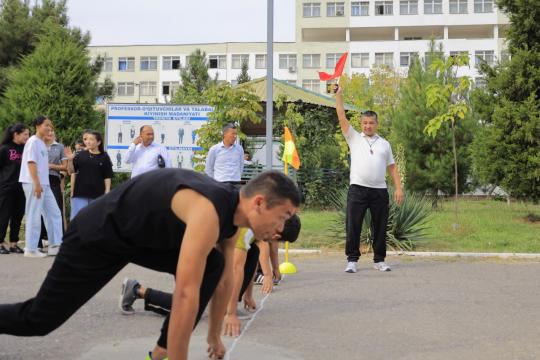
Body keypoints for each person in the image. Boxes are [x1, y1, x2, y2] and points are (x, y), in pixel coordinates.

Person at [0, 169, 300, 360]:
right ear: (259, 203)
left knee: (214, 265)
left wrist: (213, 337)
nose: (280, 229)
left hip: (138, 241)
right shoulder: (209, 211)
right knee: (38, 320)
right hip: (97, 235)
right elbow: (185, 293)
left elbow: (221, 282)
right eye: (284, 216)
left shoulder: (232, 220)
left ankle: (161, 352)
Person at [118, 215, 301, 360]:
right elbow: (234, 270)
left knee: (200, 301)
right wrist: (230, 313)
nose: (271, 242)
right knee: (191, 305)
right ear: (276, 235)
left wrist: (248, 295)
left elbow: (251, 260)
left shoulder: (260, 225)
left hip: (205, 252)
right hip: (185, 246)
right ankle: (137, 290)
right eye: (274, 240)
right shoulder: (247, 228)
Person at [335, 85, 404, 273]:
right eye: (364, 123)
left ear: (376, 124)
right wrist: (339, 95)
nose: (367, 126)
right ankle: (352, 260)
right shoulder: (354, 138)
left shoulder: (384, 144)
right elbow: (341, 116)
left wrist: (398, 188)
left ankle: (379, 260)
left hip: (379, 191)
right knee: (353, 225)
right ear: (361, 123)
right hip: (358, 189)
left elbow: (392, 167)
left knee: (380, 227)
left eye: (371, 123)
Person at [18, 116, 63, 258]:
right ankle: (31, 249)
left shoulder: (42, 143)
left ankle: (55, 245)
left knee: (54, 213)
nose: (49, 128)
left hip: (44, 184)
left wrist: (41, 183)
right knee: (34, 213)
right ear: (38, 125)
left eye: (50, 126)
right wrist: (36, 184)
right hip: (33, 183)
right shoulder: (32, 142)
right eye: (46, 125)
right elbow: (31, 164)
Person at [38, 129, 70, 249]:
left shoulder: (59, 146)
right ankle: (39, 241)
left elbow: (65, 167)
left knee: (56, 211)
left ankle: (59, 241)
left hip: (53, 179)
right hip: (39, 180)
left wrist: (52, 166)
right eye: (48, 131)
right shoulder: (38, 144)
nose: (50, 133)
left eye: (52, 131)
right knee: (40, 211)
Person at [0, 123, 30, 254]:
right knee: (3, 216)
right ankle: (0, 243)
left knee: (17, 217)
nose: (27, 137)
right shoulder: (4, 149)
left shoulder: (26, 148)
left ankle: (13, 243)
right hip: (6, 188)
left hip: (22, 187)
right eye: (25, 134)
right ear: (15, 134)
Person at [70, 130, 113, 219]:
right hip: (80, 194)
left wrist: (107, 191)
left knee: (94, 220)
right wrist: (70, 160)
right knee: (78, 219)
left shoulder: (104, 157)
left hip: (98, 195)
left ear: (98, 142)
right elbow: (71, 171)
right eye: (86, 139)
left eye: (91, 139)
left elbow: (107, 176)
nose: (88, 142)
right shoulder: (81, 155)